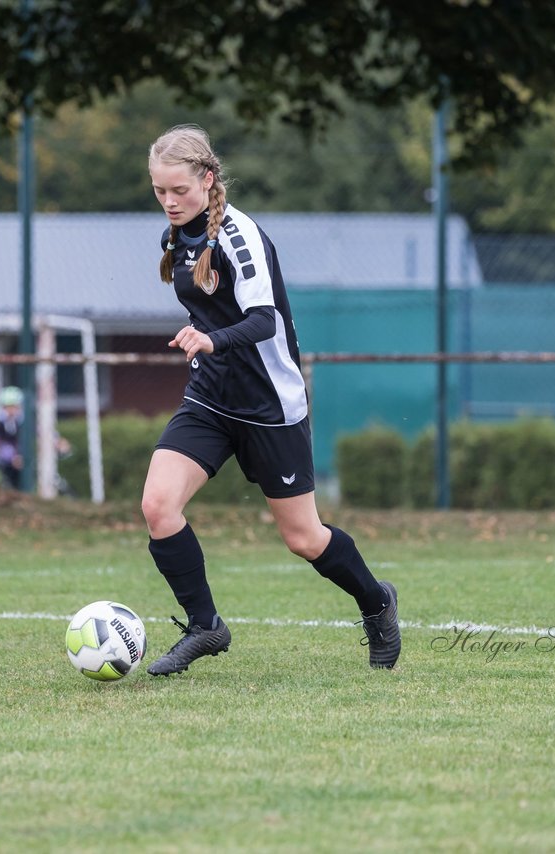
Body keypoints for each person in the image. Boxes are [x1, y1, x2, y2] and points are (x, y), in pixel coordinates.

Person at [140, 124, 401, 676]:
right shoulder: (177, 235)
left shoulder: (239, 235)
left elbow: (264, 319)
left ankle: (377, 603)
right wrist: (202, 341)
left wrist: (211, 339)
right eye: (159, 191)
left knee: (304, 538)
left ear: (208, 180)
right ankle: (205, 626)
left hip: (269, 406)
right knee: (159, 507)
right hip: (211, 397)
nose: (168, 202)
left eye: (179, 190)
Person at [0, 386, 26, 489]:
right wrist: (13, 457)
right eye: (8, 407)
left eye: (15, 407)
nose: (12, 410)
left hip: (20, 459)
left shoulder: (22, 421)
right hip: (4, 461)